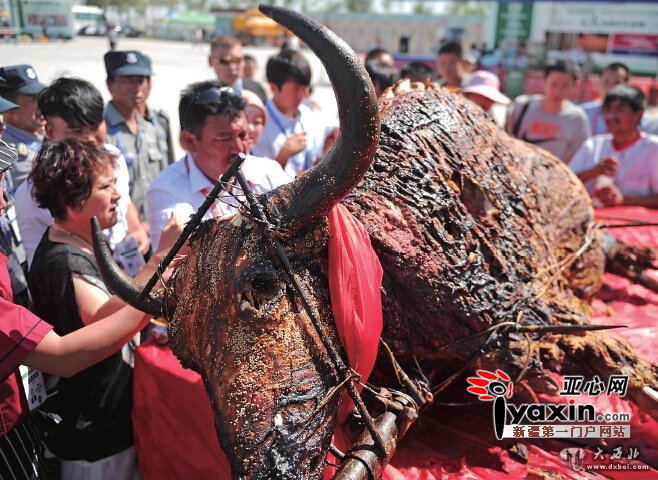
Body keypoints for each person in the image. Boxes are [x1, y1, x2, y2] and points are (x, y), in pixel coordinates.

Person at [0, 140, 176, 479]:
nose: (118, 195)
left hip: (109, 419)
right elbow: (104, 321)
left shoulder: (84, 240)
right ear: (72, 198)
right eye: (106, 186)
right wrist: (162, 262)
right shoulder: (63, 260)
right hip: (93, 432)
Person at [14, 77, 150, 266]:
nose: (90, 139)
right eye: (77, 131)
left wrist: (135, 227)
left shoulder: (113, 156)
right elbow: (44, 269)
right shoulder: (34, 193)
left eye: (95, 127)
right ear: (50, 132)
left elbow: (124, 202)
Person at [146, 81, 291, 250]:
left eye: (243, 135)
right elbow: (174, 269)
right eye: (224, 138)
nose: (239, 148)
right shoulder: (167, 192)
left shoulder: (269, 172)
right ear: (190, 141)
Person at [104, 50, 173, 217]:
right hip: (123, 227)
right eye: (127, 80)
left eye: (140, 80)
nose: (136, 87)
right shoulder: (100, 128)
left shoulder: (157, 124)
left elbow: (170, 174)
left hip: (159, 220)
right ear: (110, 84)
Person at [569, 85, 658, 208]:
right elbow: (564, 183)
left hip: (641, 225)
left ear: (638, 115)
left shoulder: (653, 149)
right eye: (607, 110)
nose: (610, 117)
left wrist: (624, 200)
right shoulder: (593, 145)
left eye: (618, 110)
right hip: (594, 222)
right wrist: (593, 172)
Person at [251, 49, 336, 177]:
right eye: (296, 89)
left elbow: (315, 159)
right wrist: (283, 155)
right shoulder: (258, 124)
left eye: (304, 89)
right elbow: (258, 180)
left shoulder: (307, 116)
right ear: (274, 87)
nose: (301, 95)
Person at [0, 66, 45, 306]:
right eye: (31, 99)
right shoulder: (7, 148)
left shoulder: (40, 136)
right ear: (9, 105)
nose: (40, 105)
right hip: (17, 255)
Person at [507, 60, 590, 163]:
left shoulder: (577, 118)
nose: (558, 91)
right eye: (553, 84)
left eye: (565, 86)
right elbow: (506, 136)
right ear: (545, 81)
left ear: (574, 86)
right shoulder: (522, 105)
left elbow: (580, 154)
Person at [0, 65, 46, 189]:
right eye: (32, 99)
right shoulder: (10, 151)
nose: (41, 104)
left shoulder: (39, 130)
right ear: (10, 109)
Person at [208, 35, 267, 103]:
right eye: (225, 61)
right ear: (210, 61)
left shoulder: (257, 91)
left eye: (237, 60)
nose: (232, 67)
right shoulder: (204, 97)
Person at [579, 62, 630, 136]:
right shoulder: (583, 113)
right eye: (606, 82)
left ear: (627, 86)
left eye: (617, 83)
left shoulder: (636, 118)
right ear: (599, 84)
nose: (611, 88)